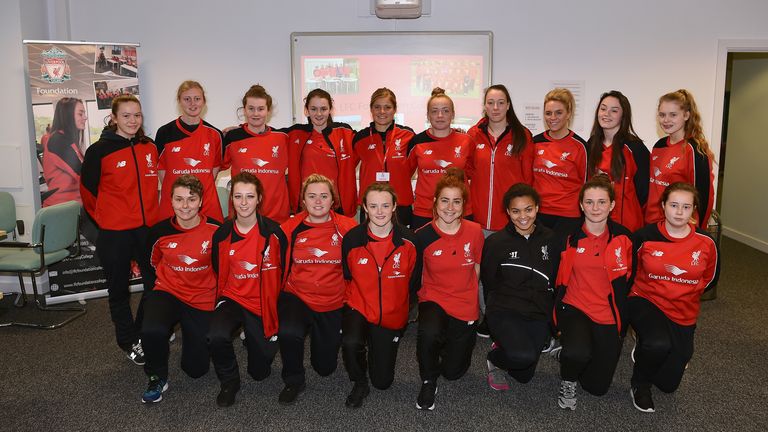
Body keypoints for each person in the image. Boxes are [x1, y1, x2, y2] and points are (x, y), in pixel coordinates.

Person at [627, 182, 719, 413]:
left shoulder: (706, 243)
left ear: (693, 210)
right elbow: (630, 271)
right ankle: (640, 385)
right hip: (646, 299)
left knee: (668, 384)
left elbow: (711, 278)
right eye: (674, 205)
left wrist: (683, 292)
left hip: (683, 309)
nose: (679, 212)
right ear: (663, 206)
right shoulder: (644, 236)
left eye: (686, 207)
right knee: (658, 343)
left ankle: (645, 351)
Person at [80, 94, 159, 365]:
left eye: (136, 115)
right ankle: (127, 341)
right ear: (114, 118)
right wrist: (108, 221)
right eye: (126, 115)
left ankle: (139, 332)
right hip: (114, 233)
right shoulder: (99, 151)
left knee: (156, 284)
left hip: (146, 231)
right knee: (119, 290)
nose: (132, 120)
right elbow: (88, 194)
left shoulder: (149, 147)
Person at [552, 175, 633, 410]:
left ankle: (574, 352)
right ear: (581, 205)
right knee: (577, 354)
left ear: (612, 205)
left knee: (597, 388)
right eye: (589, 202)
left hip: (607, 313)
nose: (595, 208)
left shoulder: (624, 238)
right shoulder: (568, 237)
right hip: (575, 306)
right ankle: (569, 374)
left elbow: (630, 278)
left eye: (601, 202)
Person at [275, 174, 357, 405]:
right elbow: (276, 265)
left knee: (325, 368)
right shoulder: (289, 228)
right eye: (312, 196)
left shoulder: (348, 228)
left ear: (333, 200)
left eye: (324, 196)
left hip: (333, 300)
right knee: (289, 331)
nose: (318, 201)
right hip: (297, 296)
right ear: (303, 200)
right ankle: (293, 380)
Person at [139, 175, 221, 403]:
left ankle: (191, 335)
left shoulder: (217, 230)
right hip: (169, 291)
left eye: (191, 199)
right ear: (171, 201)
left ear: (201, 201)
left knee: (196, 370)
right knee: (152, 329)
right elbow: (152, 263)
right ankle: (157, 377)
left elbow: (224, 268)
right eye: (179, 199)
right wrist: (165, 284)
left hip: (202, 297)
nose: (185, 206)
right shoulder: (159, 232)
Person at [207, 172, 284, 407]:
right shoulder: (222, 234)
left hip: (262, 303)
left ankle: (255, 341)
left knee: (260, 373)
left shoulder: (274, 234)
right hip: (233, 298)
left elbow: (284, 271)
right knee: (215, 335)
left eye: (249, 196)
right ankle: (229, 382)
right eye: (238, 196)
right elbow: (217, 267)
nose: (243, 202)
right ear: (231, 199)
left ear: (259, 198)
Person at [340, 182, 420, 408]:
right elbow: (347, 276)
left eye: (385, 205)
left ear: (395, 206)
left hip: (391, 312)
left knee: (383, 382)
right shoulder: (352, 239)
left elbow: (413, 282)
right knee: (350, 342)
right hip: (360, 304)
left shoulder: (410, 241)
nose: (380, 212)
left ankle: (378, 347)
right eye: (373, 206)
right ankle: (359, 381)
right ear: (364, 207)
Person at [414, 168, 484, 410]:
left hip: (464, 304)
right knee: (429, 333)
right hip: (434, 297)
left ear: (464, 205)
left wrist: (466, 292)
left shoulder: (475, 232)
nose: (450, 207)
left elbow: (476, 268)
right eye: (445, 200)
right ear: (435, 202)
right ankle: (428, 379)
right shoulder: (422, 236)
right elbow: (418, 276)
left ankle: (448, 344)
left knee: (454, 372)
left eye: (456, 201)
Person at [479, 183, 559, 392]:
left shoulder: (551, 239)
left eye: (528, 209)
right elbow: (488, 280)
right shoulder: (496, 242)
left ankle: (509, 347)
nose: (523, 216)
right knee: (521, 356)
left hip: (537, 310)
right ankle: (494, 357)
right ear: (508, 212)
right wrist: (492, 314)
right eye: (515, 211)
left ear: (537, 208)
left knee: (523, 375)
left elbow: (556, 278)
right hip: (505, 308)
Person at [468, 84, 534, 231]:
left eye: (501, 103)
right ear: (485, 106)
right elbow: (467, 173)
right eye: (490, 103)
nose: (495, 108)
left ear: (508, 105)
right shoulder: (473, 135)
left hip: (511, 222)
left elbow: (528, 179)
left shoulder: (522, 136)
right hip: (477, 222)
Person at [155, 80, 223, 223]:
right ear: (179, 101)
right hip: (174, 208)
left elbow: (213, 171)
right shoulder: (165, 133)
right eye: (187, 99)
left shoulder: (215, 134)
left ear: (204, 102)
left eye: (197, 99)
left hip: (207, 207)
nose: (193, 103)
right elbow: (162, 172)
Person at [645, 90, 715, 229]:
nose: (666, 120)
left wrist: (697, 232)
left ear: (686, 115)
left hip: (679, 228)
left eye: (673, 115)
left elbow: (704, 197)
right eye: (662, 115)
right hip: (652, 224)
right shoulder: (659, 146)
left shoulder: (695, 150)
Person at [409, 88, 475, 230]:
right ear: (428, 115)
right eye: (434, 111)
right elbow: (406, 173)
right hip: (425, 212)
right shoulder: (417, 142)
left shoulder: (466, 141)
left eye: (445, 111)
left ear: (453, 114)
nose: (440, 115)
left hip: (459, 211)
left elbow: (472, 172)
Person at [284, 89, 358, 217]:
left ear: (330, 110)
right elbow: (266, 134)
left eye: (323, 109)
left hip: (337, 208)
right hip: (306, 207)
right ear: (306, 110)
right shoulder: (295, 133)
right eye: (313, 109)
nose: (319, 113)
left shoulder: (344, 132)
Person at [222, 84, 290, 223]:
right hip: (242, 218)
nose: (256, 113)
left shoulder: (283, 138)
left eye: (261, 109)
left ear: (268, 110)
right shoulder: (232, 137)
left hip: (277, 218)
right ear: (244, 110)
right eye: (251, 109)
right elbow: (213, 167)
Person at [586, 91, 649, 232]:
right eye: (603, 109)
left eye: (614, 111)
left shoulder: (635, 148)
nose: (606, 114)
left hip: (629, 227)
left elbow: (645, 193)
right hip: (597, 227)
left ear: (623, 116)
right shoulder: (591, 145)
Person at [352, 88, 416, 226]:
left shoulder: (408, 136)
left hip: (400, 205)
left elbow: (412, 166)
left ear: (394, 110)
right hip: (371, 206)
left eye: (387, 107)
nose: (382, 112)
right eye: (377, 107)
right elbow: (346, 166)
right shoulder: (359, 138)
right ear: (371, 109)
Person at [532, 88, 588, 239]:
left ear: (568, 114)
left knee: (561, 260)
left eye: (559, 112)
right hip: (538, 214)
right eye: (548, 113)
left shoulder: (580, 146)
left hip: (568, 216)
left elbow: (586, 185)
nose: (553, 117)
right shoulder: (535, 142)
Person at [42, 97, 87, 207]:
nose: (85, 118)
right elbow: (82, 173)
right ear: (68, 116)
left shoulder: (69, 140)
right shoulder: (58, 140)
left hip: (73, 205)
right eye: (80, 114)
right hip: (62, 209)